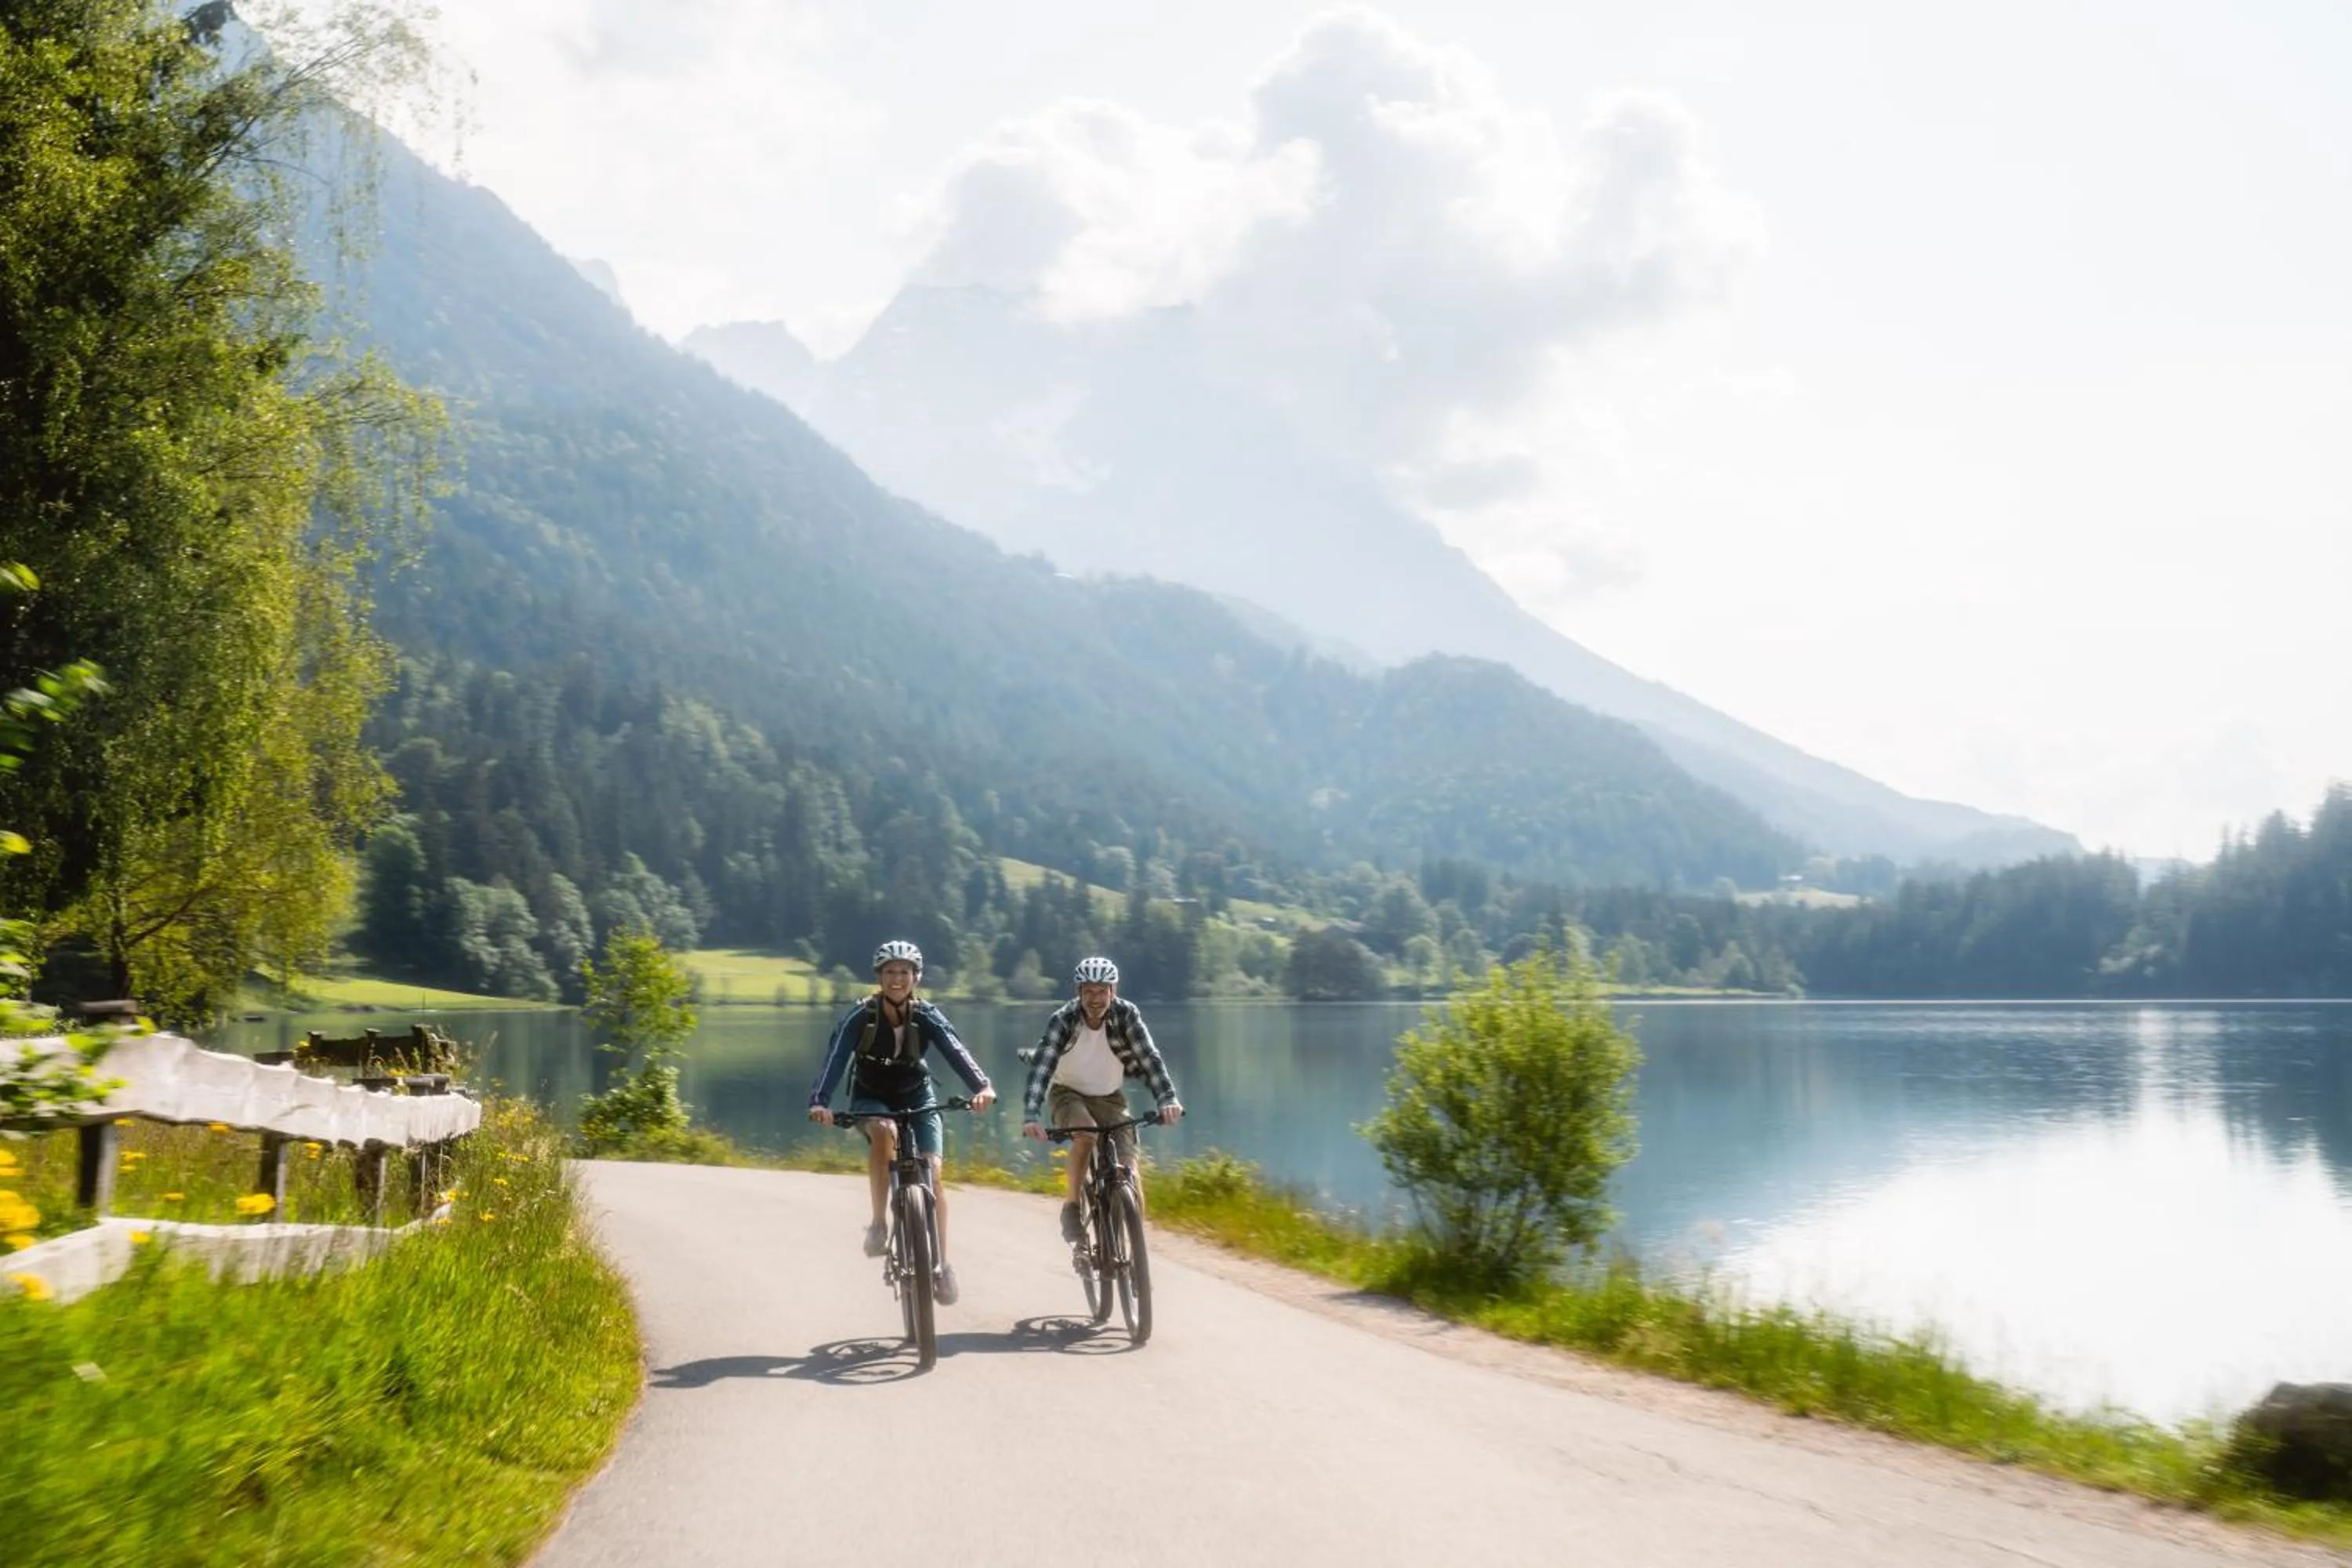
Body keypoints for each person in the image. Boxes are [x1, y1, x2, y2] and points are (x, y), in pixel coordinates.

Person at [807, 940, 995, 1305]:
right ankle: (879, 1223)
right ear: (879, 977)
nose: (897, 979)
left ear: (916, 977)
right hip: (871, 1096)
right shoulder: (861, 1015)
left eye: (905, 972)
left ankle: (942, 1264)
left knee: (933, 1172)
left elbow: (955, 1051)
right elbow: (836, 1057)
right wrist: (820, 1101)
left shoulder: (927, 1014)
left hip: (916, 1093)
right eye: (890, 972)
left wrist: (982, 1086)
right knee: (884, 1131)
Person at [1021, 955, 1182, 1243]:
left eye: (1101, 991)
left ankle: (1136, 1247)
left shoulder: (1126, 1015)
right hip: (1067, 1094)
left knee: (1130, 1168)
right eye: (1089, 991)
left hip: (1111, 1098)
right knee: (1085, 1133)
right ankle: (1071, 1207)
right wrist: (1032, 1114)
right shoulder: (1063, 1020)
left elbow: (1149, 1057)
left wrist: (1167, 1098)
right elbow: (1043, 1066)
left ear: (1113, 991)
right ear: (1078, 992)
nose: (1095, 999)